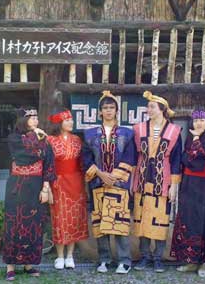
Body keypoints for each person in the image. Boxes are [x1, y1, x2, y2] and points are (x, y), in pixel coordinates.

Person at [82, 91, 136, 274]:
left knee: (119, 222)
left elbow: (130, 157)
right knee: (100, 224)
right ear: (100, 112)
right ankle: (104, 259)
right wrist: (100, 173)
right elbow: (86, 158)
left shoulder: (127, 133)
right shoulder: (89, 134)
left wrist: (113, 176)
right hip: (97, 183)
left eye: (111, 107)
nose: (108, 111)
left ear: (116, 111)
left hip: (119, 184)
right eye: (105, 108)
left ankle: (124, 260)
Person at [1, 108, 56, 281]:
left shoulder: (43, 139)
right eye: (31, 117)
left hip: (36, 185)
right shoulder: (14, 138)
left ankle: (29, 264)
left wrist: (46, 188)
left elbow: (48, 163)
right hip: (17, 186)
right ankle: (10, 265)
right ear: (22, 121)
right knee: (14, 224)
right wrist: (36, 136)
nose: (35, 120)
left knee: (33, 225)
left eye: (36, 117)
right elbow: (24, 156)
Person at [132, 91, 182, 273]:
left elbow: (176, 160)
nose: (148, 109)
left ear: (162, 109)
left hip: (164, 180)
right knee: (142, 220)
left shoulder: (174, 131)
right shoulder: (138, 129)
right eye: (148, 106)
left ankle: (158, 258)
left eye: (152, 106)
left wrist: (174, 185)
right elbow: (133, 155)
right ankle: (144, 257)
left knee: (160, 221)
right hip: (142, 178)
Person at [171, 109, 205, 278]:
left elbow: (200, 156)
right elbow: (186, 160)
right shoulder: (188, 141)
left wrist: (197, 138)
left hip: (202, 186)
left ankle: (202, 262)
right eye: (196, 121)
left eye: (202, 121)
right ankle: (189, 261)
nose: (198, 124)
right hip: (187, 186)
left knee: (201, 223)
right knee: (186, 221)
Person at [46, 109, 88, 270]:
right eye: (67, 120)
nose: (71, 122)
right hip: (58, 182)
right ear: (59, 123)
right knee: (59, 218)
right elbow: (48, 163)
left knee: (74, 217)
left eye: (71, 120)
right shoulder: (50, 140)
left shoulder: (77, 139)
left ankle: (70, 255)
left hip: (76, 181)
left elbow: (81, 162)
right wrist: (48, 183)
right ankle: (60, 256)